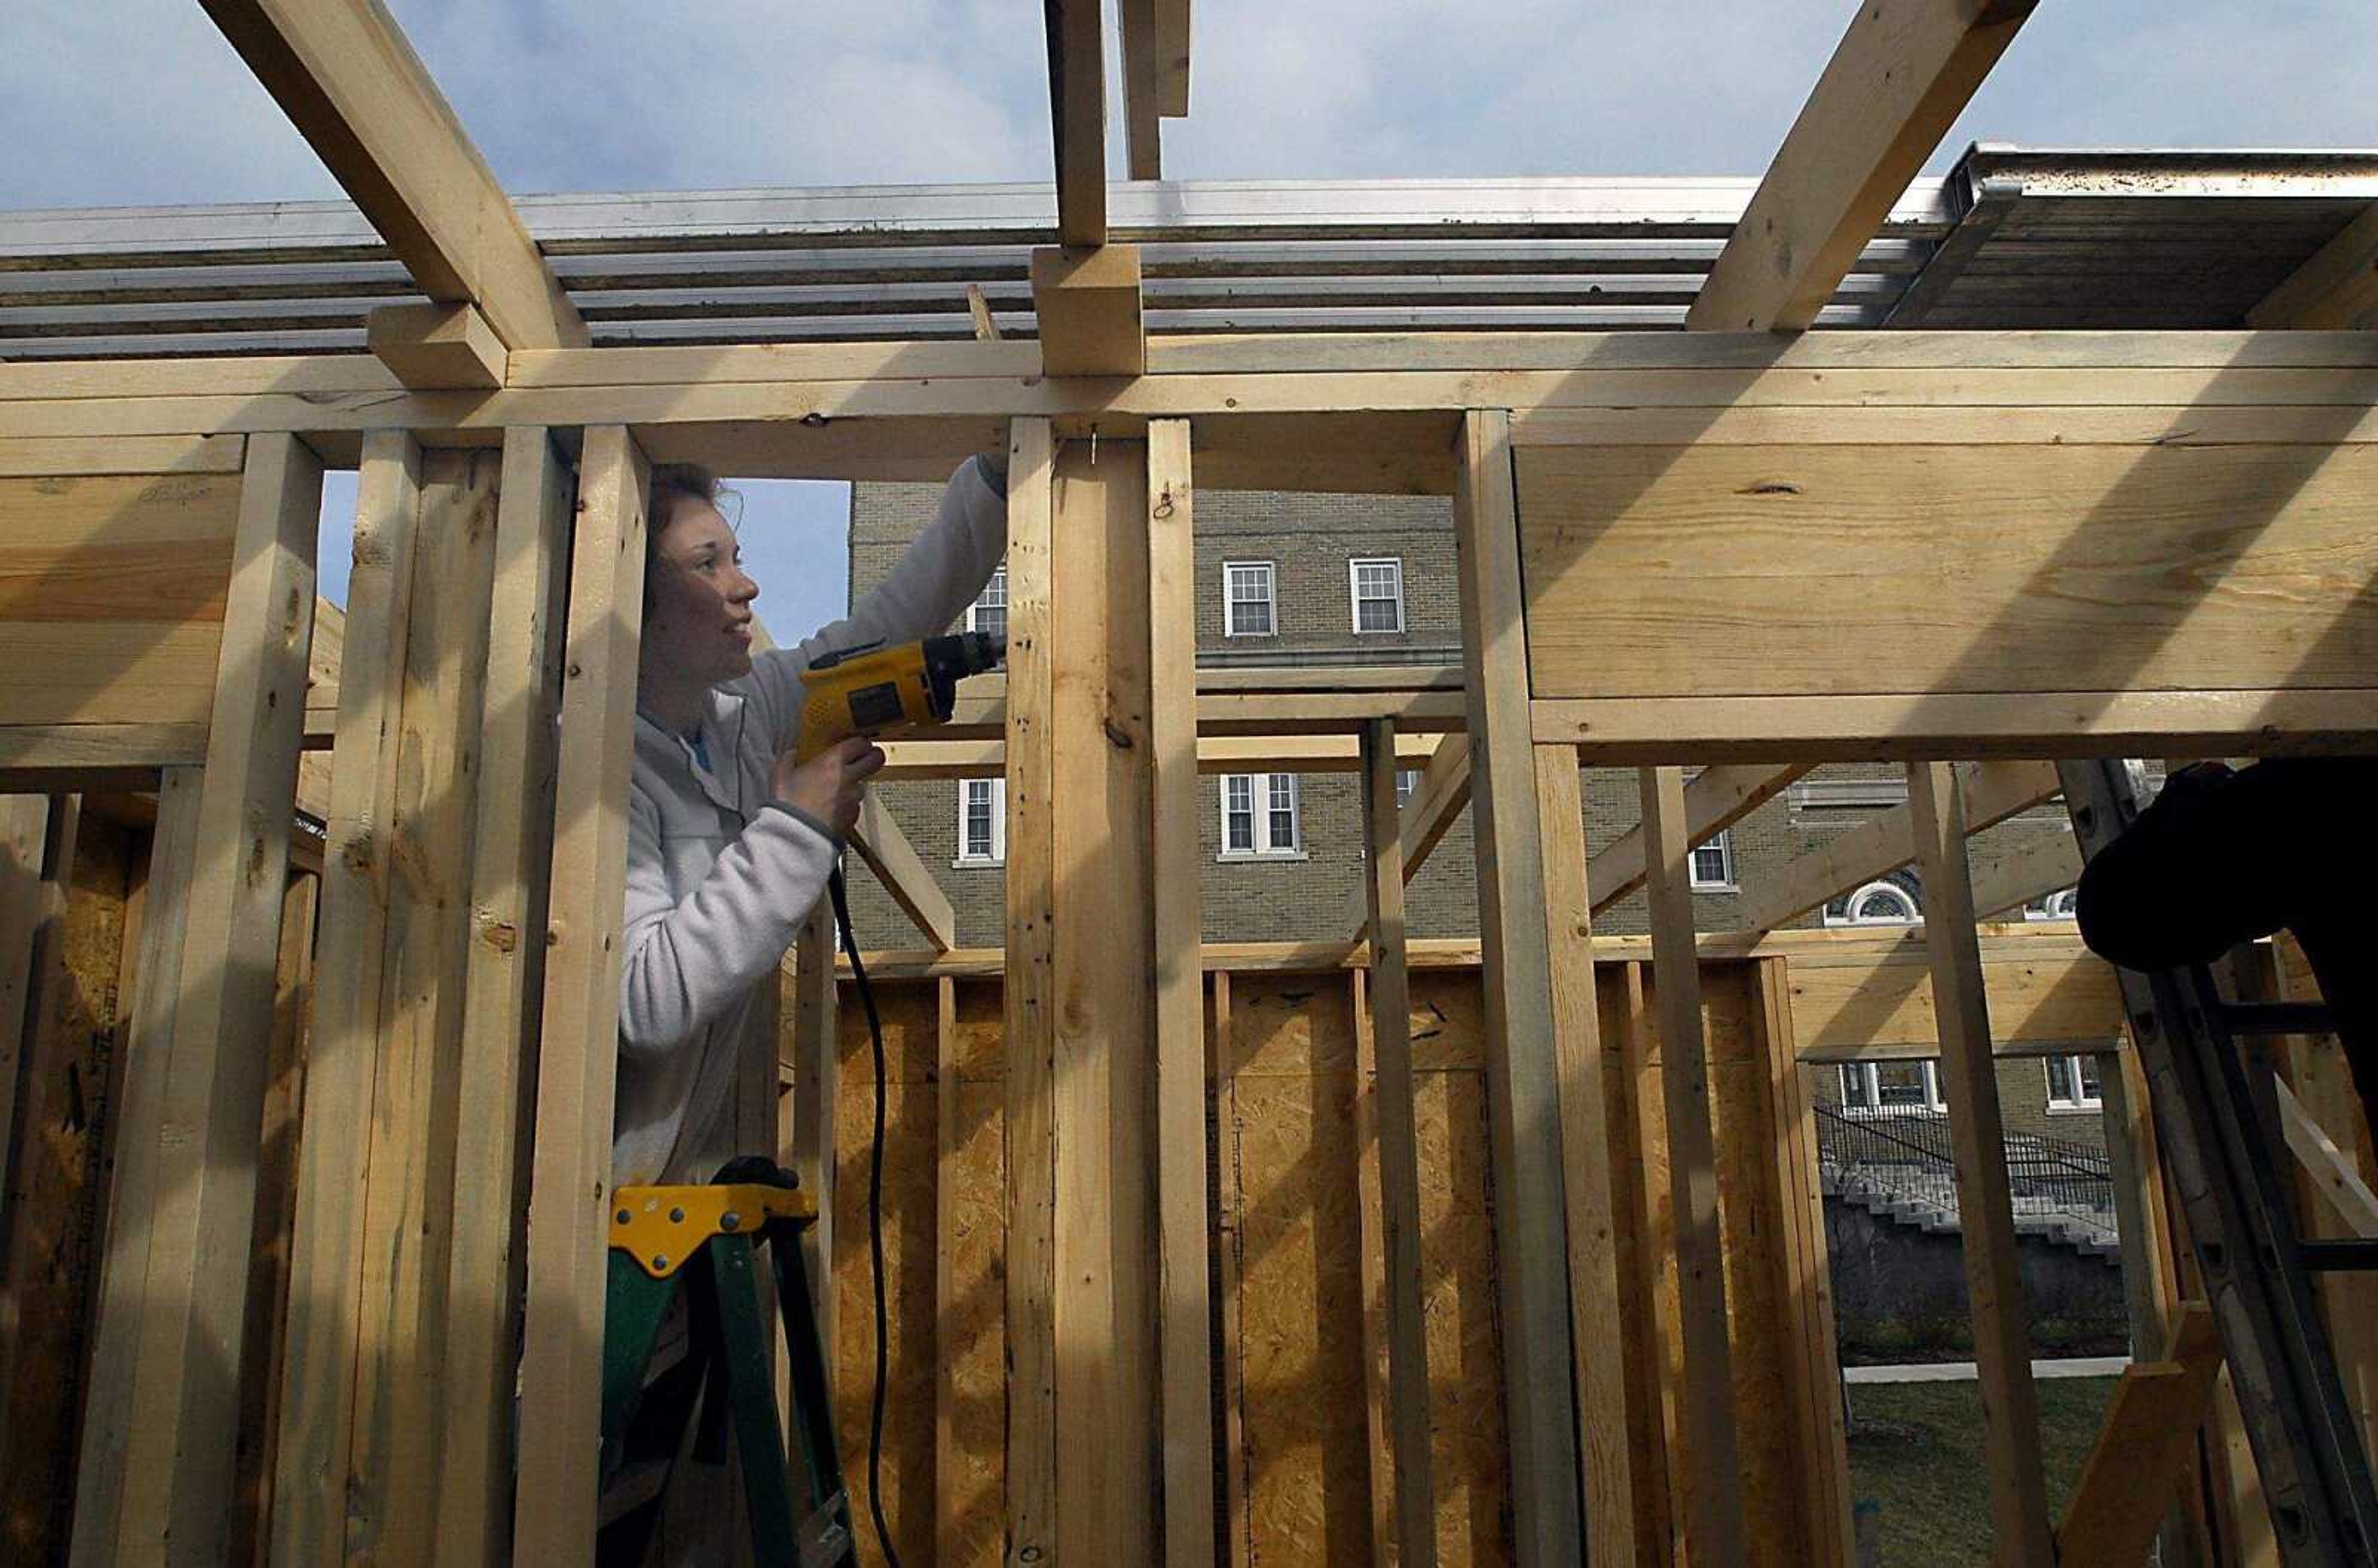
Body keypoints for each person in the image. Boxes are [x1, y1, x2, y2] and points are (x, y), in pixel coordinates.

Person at [614, 451, 1008, 1189]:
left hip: (655, 1191)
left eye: (739, 558)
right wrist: (796, 827)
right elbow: (646, 1005)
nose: (747, 586)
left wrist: (992, 475)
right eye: (709, 565)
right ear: (634, 600)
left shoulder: (741, 710)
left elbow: (888, 627)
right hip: (566, 1210)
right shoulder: (595, 770)